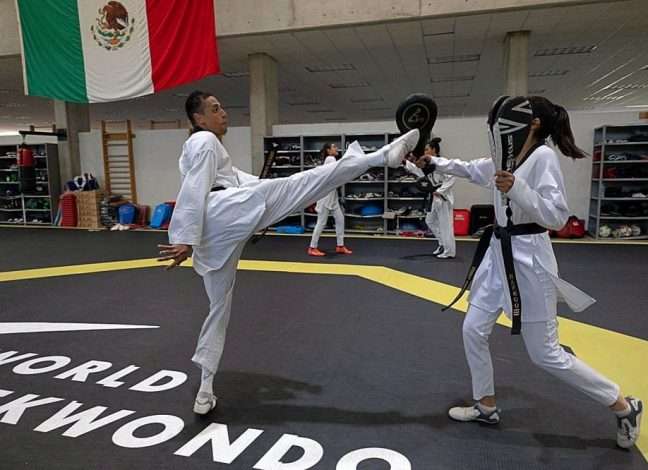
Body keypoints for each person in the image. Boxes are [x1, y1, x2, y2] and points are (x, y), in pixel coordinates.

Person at [158, 91, 419, 414]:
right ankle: (381, 156)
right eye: (214, 109)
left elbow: (233, 179)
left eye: (222, 106)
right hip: (223, 212)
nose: (223, 112)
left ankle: (205, 389)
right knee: (303, 183)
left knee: (219, 306)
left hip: (219, 227)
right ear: (199, 119)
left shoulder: (205, 146)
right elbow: (195, 188)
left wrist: (261, 205)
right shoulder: (204, 141)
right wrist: (185, 238)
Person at [416, 95, 642, 449]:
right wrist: (433, 162)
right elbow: (471, 169)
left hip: (529, 260)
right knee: (473, 329)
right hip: (497, 256)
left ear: (531, 122)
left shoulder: (543, 157)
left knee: (545, 353)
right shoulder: (505, 157)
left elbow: (556, 217)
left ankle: (623, 406)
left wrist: (517, 188)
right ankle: (485, 405)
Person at [404, 138, 456, 258]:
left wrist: (440, 191)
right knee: (430, 221)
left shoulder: (442, 162)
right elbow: (418, 171)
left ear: (434, 150)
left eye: (427, 149)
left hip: (443, 197)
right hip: (433, 196)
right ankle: (442, 244)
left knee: (445, 225)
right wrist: (405, 162)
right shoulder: (428, 164)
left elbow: (452, 177)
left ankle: (449, 251)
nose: (425, 152)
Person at [307, 143, 352, 256]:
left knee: (340, 219)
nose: (336, 148)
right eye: (334, 147)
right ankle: (312, 247)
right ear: (328, 150)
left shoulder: (330, 160)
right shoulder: (330, 159)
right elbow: (337, 172)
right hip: (325, 197)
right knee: (321, 222)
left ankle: (340, 246)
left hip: (332, 196)